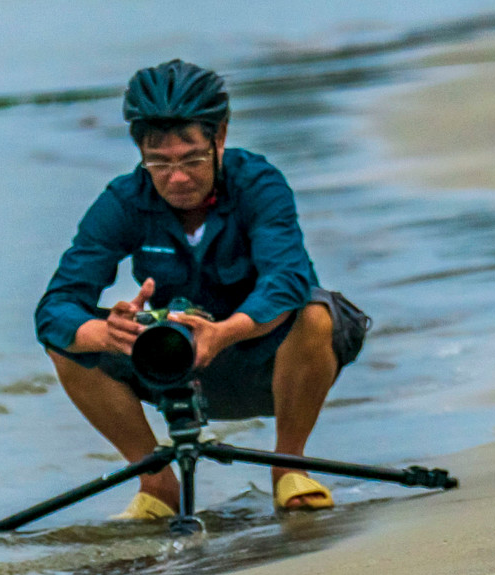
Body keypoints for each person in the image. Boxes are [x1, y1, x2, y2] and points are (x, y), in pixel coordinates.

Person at [35, 59, 369, 518]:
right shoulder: (122, 201)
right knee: (66, 340)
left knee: (315, 312)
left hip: (265, 360)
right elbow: (55, 306)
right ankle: (156, 481)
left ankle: (289, 466)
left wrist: (226, 332)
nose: (177, 178)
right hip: (172, 366)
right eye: (159, 162)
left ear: (220, 137)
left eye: (192, 159)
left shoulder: (259, 183)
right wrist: (106, 334)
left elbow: (287, 279)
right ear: (139, 151)